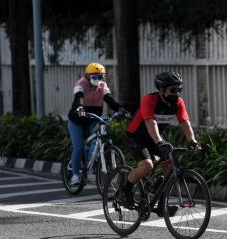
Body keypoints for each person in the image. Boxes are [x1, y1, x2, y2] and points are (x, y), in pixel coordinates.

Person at [121, 71, 201, 215]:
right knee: (147, 165)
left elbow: (185, 122)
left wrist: (192, 141)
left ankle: (161, 205)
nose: (176, 93)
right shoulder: (149, 100)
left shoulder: (177, 103)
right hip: (135, 137)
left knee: (170, 165)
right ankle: (125, 192)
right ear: (162, 89)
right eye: (173, 90)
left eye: (179, 89)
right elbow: (150, 123)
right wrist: (160, 142)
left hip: (153, 138)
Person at [67, 63, 126, 185]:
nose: (98, 80)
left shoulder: (102, 86)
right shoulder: (81, 83)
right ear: (88, 76)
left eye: (101, 77)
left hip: (93, 119)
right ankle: (75, 175)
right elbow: (79, 97)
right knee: (78, 147)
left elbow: (109, 99)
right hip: (77, 120)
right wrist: (80, 108)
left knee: (101, 134)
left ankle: (92, 158)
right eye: (95, 77)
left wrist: (120, 109)